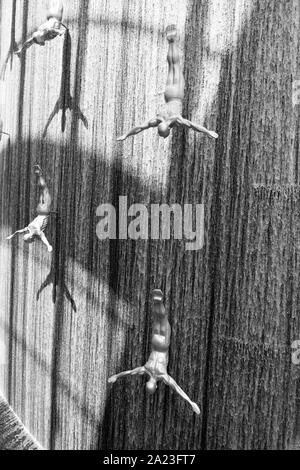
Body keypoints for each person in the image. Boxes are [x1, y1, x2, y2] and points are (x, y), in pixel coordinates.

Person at [118, 25, 218, 142]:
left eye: (164, 134)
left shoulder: (175, 119)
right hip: (168, 94)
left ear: (168, 129)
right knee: (171, 66)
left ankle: (173, 41)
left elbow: (193, 126)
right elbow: (139, 128)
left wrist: (207, 132)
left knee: (175, 65)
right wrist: (126, 135)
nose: (164, 136)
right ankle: (170, 41)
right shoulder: (157, 120)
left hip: (177, 94)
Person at [108, 289, 200, 415]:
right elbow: (129, 372)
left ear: (156, 386)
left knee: (163, 319)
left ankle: (159, 302)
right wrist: (116, 376)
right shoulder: (145, 369)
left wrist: (190, 402)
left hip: (163, 345)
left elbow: (177, 389)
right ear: (148, 382)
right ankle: (157, 302)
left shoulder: (163, 376)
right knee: (158, 319)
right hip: (155, 342)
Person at [6, 165, 53, 253]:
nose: (32, 242)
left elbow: (43, 238)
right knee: (42, 191)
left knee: (45, 190)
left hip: (44, 211)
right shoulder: (27, 229)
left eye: (31, 241)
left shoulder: (36, 232)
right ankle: (39, 175)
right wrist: (11, 236)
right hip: (39, 211)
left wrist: (48, 246)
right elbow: (17, 232)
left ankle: (40, 174)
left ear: (31, 237)